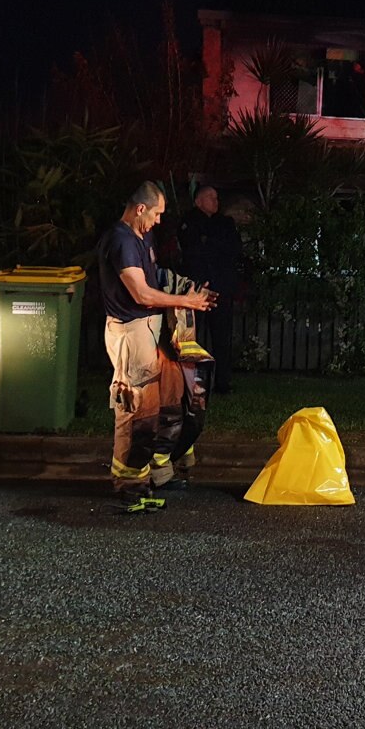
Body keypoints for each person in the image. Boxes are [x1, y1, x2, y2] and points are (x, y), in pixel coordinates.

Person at [96, 181, 214, 514]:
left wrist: (186, 288)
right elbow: (142, 294)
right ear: (140, 209)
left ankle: (154, 474)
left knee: (166, 405)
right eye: (157, 214)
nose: (159, 222)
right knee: (134, 409)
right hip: (131, 334)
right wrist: (184, 299)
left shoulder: (140, 237)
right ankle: (130, 483)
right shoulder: (120, 241)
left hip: (149, 331)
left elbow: (154, 276)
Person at [178, 182, 242, 395]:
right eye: (210, 197)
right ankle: (190, 381)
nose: (216, 201)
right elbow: (192, 249)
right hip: (197, 289)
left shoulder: (225, 222)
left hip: (221, 287)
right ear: (198, 201)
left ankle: (222, 381)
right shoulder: (189, 221)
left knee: (221, 336)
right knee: (192, 336)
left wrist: (209, 242)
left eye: (216, 197)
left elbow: (233, 249)